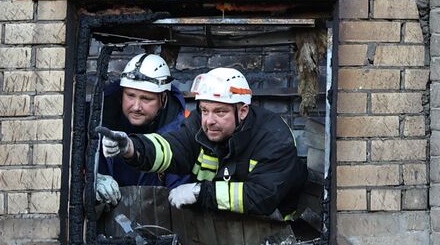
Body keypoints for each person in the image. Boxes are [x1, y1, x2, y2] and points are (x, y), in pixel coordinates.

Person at [97, 67, 308, 221]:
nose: (209, 120)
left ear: (242, 111)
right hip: (222, 224)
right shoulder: (200, 123)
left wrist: (200, 192)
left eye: (220, 112)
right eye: (205, 110)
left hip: (277, 231)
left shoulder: (273, 137)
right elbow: (172, 148)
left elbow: (263, 197)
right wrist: (132, 148)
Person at [95, 53, 189, 206]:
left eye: (146, 99)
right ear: (121, 95)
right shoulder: (96, 121)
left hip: (158, 222)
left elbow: (178, 195)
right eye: (130, 96)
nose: (136, 106)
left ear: (163, 99)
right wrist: (92, 180)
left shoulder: (181, 132)